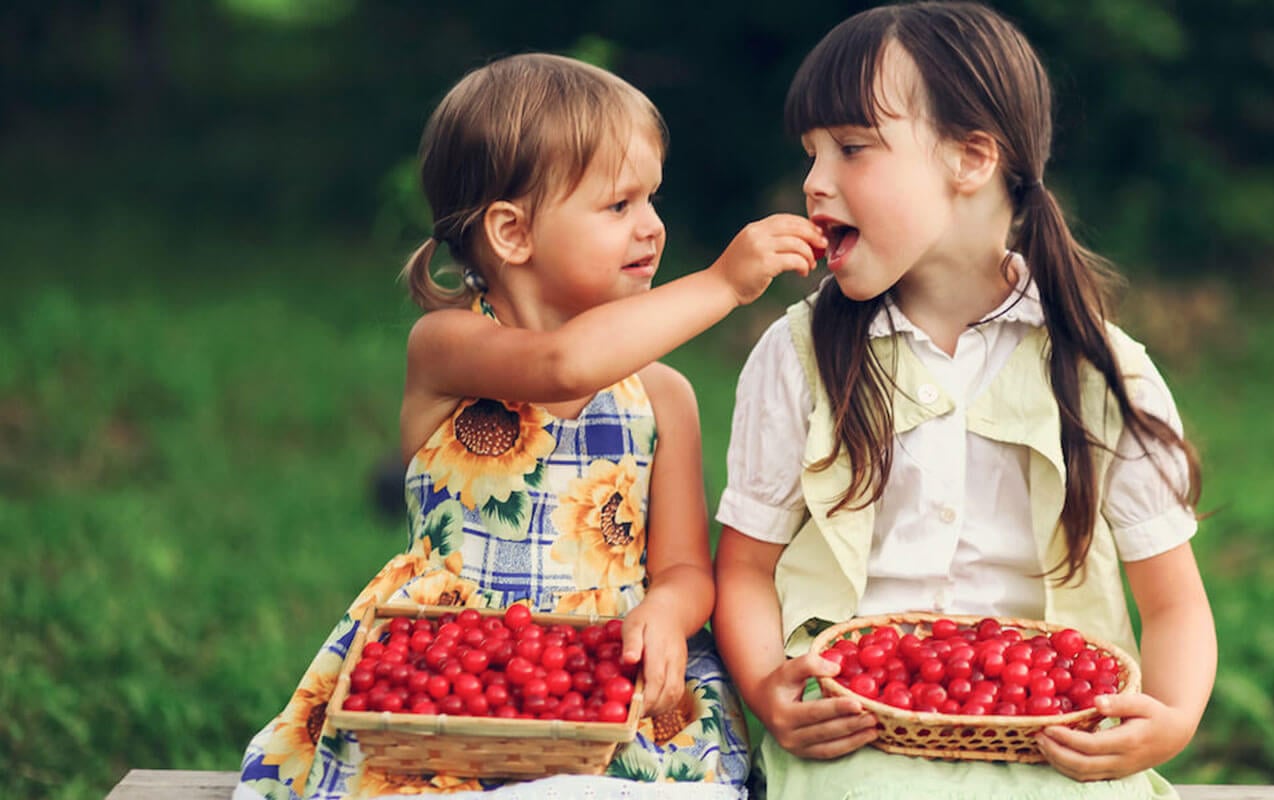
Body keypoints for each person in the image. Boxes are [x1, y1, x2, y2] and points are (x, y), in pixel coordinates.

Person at [235, 52, 824, 800]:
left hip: (607, 688)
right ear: (512, 233)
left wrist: (670, 614)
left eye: (653, 199)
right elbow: (561, 366)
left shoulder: (665, 398)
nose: (652, 227)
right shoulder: (450, 350)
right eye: (619, 207)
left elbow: (682, 568)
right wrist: (719, 285)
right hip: (454, 685)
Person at [712, 4, 1216, 799]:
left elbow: (1175, 602)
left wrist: (1174, 715)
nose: (814, 181)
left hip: (1052, 723)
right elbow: (743, 569)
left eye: (851, 148)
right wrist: (769, 689)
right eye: (811, 154)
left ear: (971, 158)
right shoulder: (799, 355)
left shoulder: (1099, 368)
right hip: (854, 717)